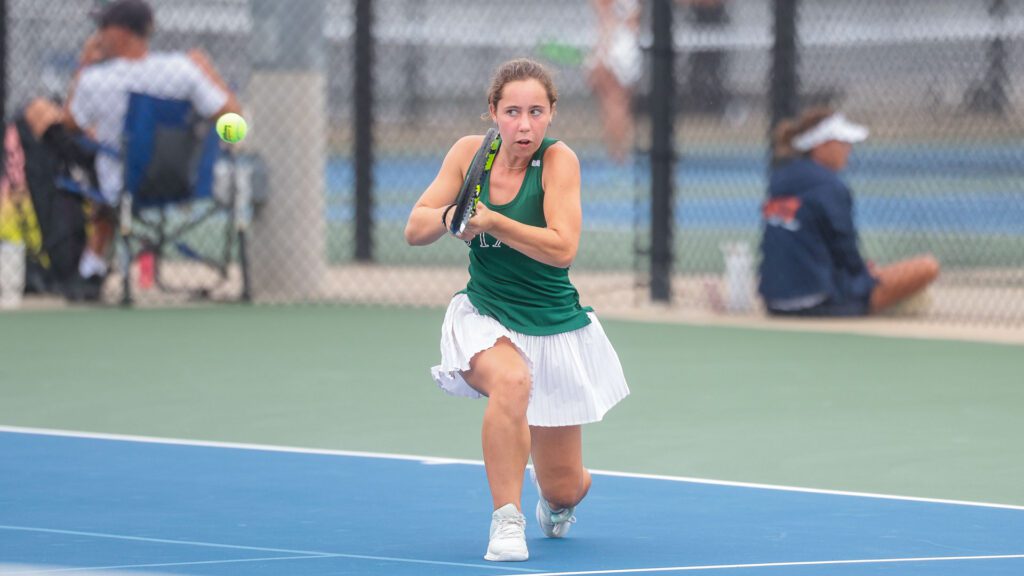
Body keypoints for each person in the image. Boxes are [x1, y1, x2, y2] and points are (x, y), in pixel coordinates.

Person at [404, 58, 630, 562]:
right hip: (485, 313)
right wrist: (451, 216)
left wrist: (491, 222)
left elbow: (562, 247)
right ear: (492, 112)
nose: (523, 124)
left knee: (565, 485)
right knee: (510, 381)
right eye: (512, 111)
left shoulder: (558, 161)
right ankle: (507, 520)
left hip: (552, 325)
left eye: (535, 111)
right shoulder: (468, 154)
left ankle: (556, 499)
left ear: (551, 114)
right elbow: (415, 228)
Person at [23, 0, 241, 300]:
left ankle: (89, 269)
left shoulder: (95, 79)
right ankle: (91, 267)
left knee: (48, 121)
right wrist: (209, 74)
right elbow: (234, 122)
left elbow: (72, 125)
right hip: (183, 183)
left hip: (119, 184)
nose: (98, 35)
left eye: (103, 28)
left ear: (121, 33)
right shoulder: (184, 70)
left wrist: (84, 63)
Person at [758, 107, 940, 317]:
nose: (848, 149)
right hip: (821, 301)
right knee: (927, 267)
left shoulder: (779, 179)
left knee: (872, 276)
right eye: (842, 143)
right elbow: (846, 253)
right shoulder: (831, 186)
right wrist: (866, 274)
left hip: (775, 303)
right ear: (822, 145)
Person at [587, 0, 642, 163]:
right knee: (619, 102)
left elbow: (606, 21)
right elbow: (632, 21)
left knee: (613, 102)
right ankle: (618, 150)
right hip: (628, 47)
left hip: (615, 47)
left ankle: (617, 152)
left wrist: (601, 52)